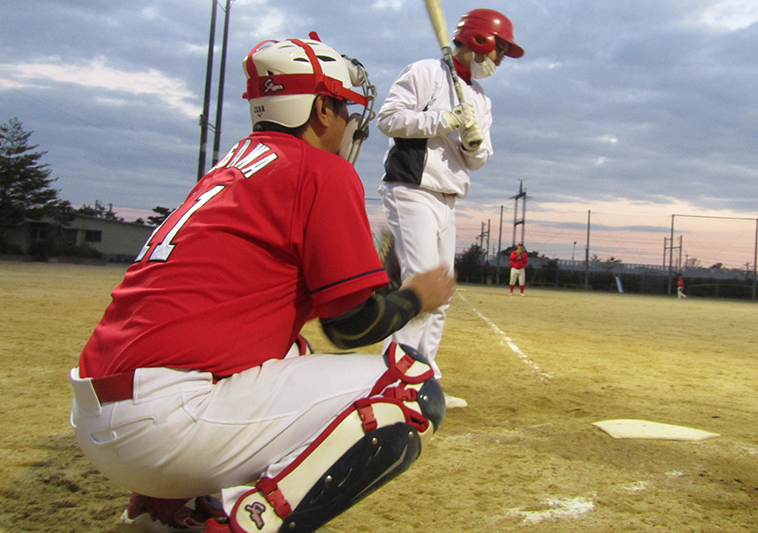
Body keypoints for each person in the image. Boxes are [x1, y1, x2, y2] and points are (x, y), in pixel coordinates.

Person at [68, 36, 455, 533]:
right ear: (320, 110)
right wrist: (417, 295)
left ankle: (162, 510)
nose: (349, 125)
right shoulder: (318, 170)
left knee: (291, 353)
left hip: (103, 415)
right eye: (344, 110)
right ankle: (235, 526)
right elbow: (354, 326)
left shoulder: (233, 167)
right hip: (164, 425)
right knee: (410, 385)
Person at [376, 8, 523, 409]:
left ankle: (426, 376)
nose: (500, 61)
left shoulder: (479, 97)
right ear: (480, 41)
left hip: (448, 198)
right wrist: (445, 119)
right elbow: (388, 120)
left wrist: (474, 144)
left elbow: (478, 158)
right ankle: (396, 382)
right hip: (412, 189)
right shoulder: (425, 72)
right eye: (500, 51)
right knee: (421, 287)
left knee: (441, 292)